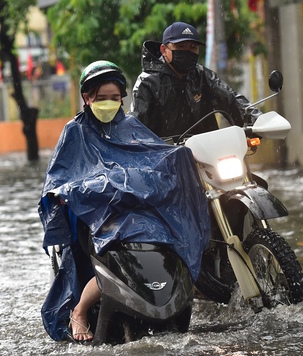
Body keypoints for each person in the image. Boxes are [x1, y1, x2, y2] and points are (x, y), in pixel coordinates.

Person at [38, 60, 210, 343]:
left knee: (168, 235)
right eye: (102, 98)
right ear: (88, 98)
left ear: (122, 99)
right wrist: (75, 193)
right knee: (114, 247)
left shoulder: (131, 127)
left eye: (115, 98)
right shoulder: (75, 132)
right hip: (97, 218)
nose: (109, 103)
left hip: (136, 212)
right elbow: (59, 179)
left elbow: (157, 156)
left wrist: (181, 158)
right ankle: (79, 311)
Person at [130, 21, 262, 138]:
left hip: (208, 155)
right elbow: (137, 129)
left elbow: (231, 99)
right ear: (164, 50)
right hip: (164, 158)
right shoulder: (147, 83)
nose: (187, 52)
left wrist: (259, 122)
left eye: (192, 47)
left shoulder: (201, 75)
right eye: (180, 46)